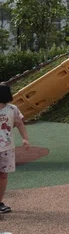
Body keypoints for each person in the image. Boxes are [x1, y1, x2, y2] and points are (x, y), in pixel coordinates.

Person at [0, 84, 29, 214]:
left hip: (7, 148)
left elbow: (19, 123)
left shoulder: (12, 109)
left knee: (3, 175)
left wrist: (25, 138)